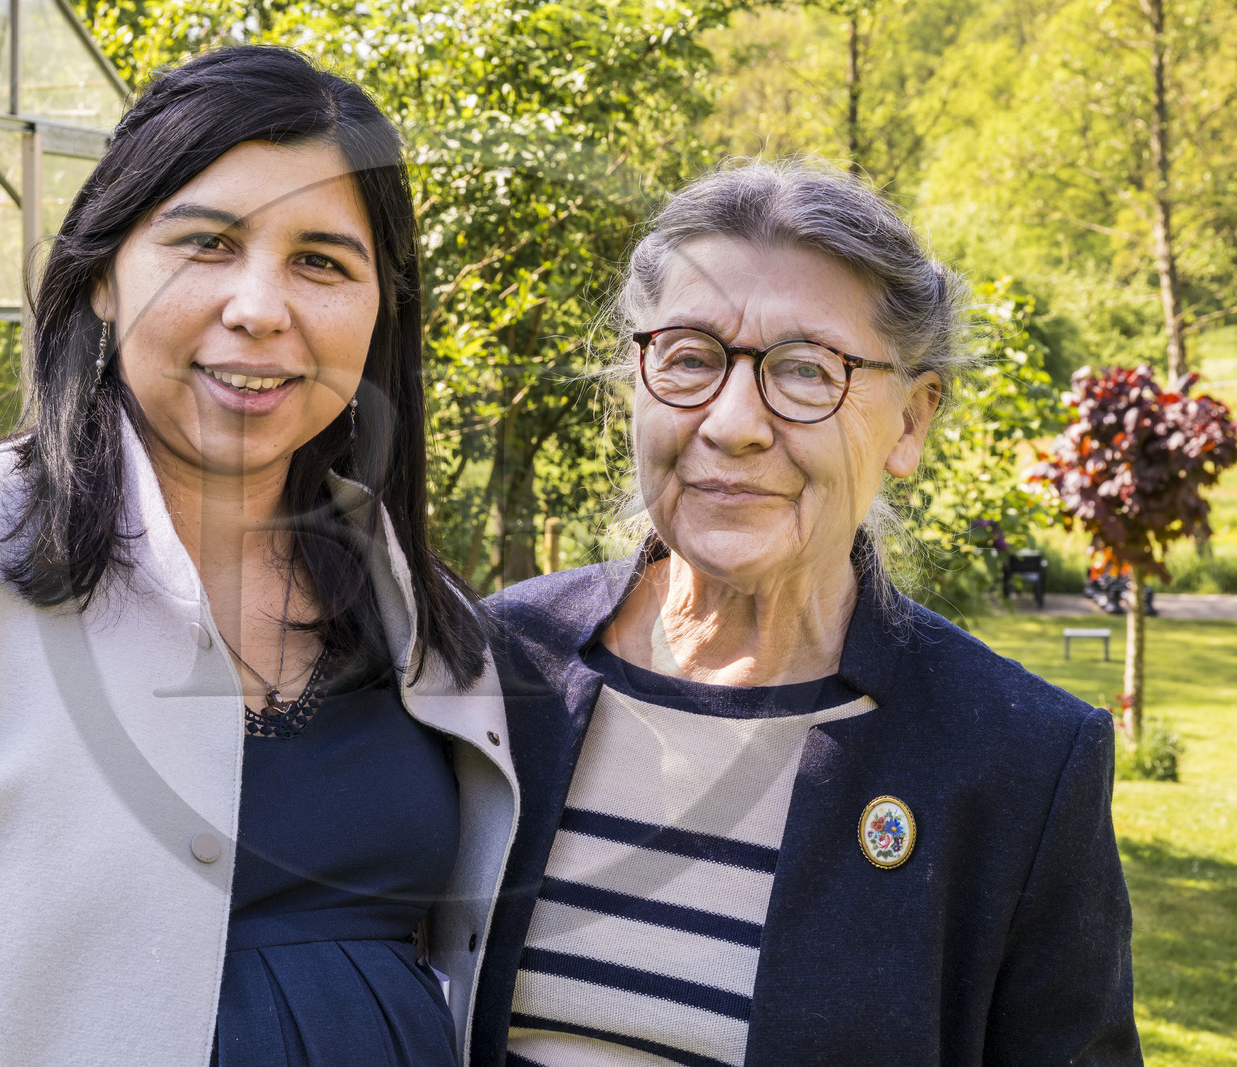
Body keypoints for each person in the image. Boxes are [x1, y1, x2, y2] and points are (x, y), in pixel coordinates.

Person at [0, 46, 518, 1066]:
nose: (261, 307)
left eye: (321, 260)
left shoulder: (423, 610)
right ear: (102, 279)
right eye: (207, 243)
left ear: (377, 309)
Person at [471, 160, 1140, 1066]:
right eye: (690, 358)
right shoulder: (496, 665)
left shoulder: (1019, 761)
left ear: (911, 418)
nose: (733, 422)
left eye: (804, 370)